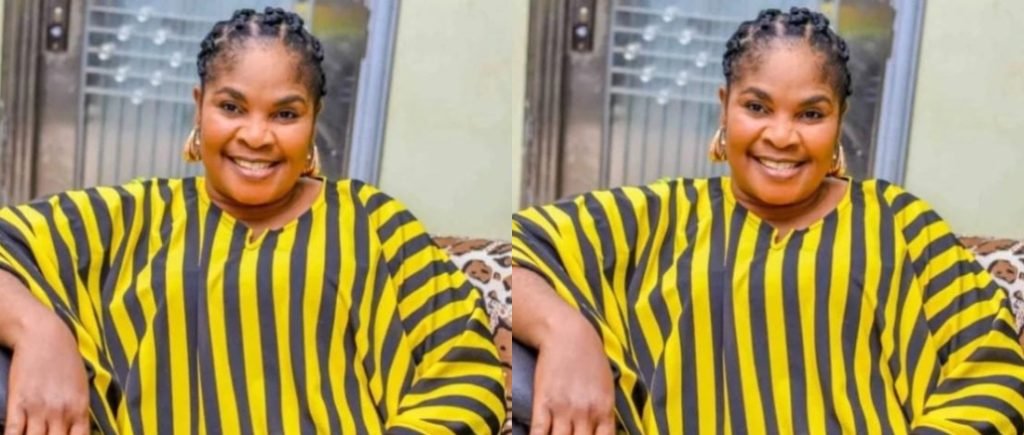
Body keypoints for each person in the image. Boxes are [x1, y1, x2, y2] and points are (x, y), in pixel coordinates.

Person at [512, 7, 1024, 434]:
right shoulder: (661, 215)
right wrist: (565, 331)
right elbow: (518, 250)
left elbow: (990, 366)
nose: (781, 136)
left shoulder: (898, 222)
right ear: (725, 107)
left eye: (810, 114)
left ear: (839, 120)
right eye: (757, 107)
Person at [0, 7, 505, 434]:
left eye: (285, 115)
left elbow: (466, 370)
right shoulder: (133, 218)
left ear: (314, 119)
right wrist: (39, 331)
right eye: (231, 107)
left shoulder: (373, 223)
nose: (256, 136)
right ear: (199, 108)